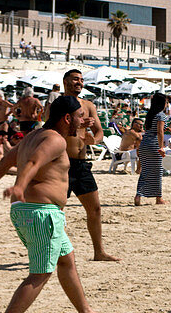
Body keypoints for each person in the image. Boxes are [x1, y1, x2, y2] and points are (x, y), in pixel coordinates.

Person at [0, 95, 106, 313]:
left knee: (66, 260)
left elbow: (5, 162)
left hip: (32, 212)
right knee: (41, 272)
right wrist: (20, 185)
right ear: (67, 117)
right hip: (41, 213)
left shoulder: (33, 136)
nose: (83, 120)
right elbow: (35, 162)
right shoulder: (55, 140)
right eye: (79, 117)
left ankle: (85, 311)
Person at [47, 70, 119, 262]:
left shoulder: (88, 105)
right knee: (56, 211)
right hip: (61, 163)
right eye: (75, 79)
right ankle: (53, 252)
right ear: (65, 82)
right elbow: (49, 130)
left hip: (81, 164)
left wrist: (93, 140)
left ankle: (99, 251)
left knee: (94, 209)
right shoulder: (58, 105)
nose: (79, 83)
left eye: (81, 80)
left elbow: (100, 132)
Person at [134, 93, 168, 206]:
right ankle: (159, 198)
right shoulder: (161, 115)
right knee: (157, 171)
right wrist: (161, 147)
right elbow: (159, 132)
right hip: (154, 145)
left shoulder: (150, 114)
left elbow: (155, 128)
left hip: (144, 144)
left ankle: (138, 195)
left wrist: (167, 129)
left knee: (145, 171)